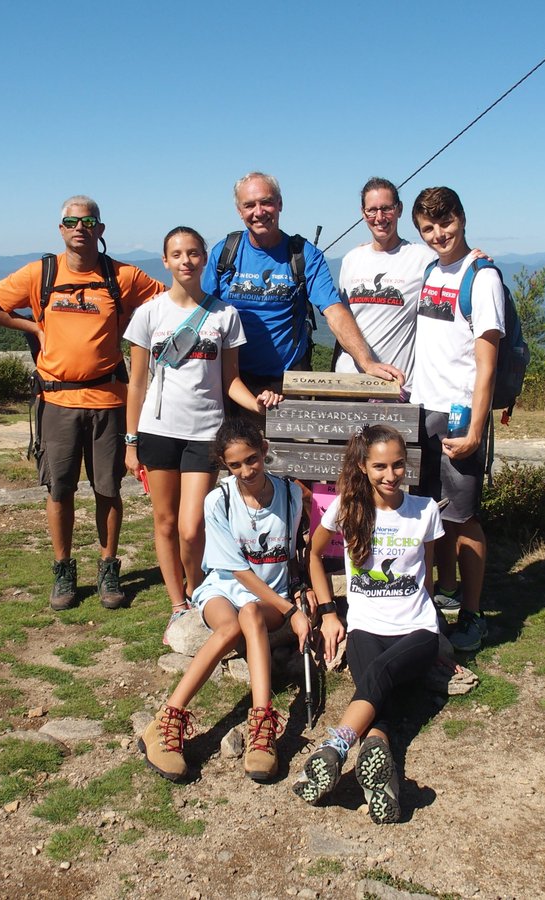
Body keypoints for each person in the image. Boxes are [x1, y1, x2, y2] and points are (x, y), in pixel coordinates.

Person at [0, 196, 165, 612]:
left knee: (108, 489)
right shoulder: (39, 273)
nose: (79, 226)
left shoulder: (122, 277)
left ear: (100, 228)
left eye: (88, 220)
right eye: (71, 221)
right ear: (61, 229)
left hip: (109, 398)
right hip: (56, 399)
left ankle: (108, 567)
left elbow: (170, 301)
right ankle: (63, 569)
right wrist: (33, 327)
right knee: (59, 488)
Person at [123, 226, 282, 642]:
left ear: (204, 259)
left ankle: (197, 587)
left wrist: (258, 404)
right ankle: (178, 603)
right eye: (177, 254)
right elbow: (136, 382)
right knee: (165, 520)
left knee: (193, 526)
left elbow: (229, 380)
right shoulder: (149, 314)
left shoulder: (224, 316)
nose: (186, 261)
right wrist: (130, 440)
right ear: (165, 261)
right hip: (157, 431)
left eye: (193, 253)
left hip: (206, 431)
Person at [138, 419, 312, 783]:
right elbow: (238, 572)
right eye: (236, 465)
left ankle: (261, 730)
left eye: (252, 459)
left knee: (249, 613)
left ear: (264, 451)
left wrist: (302, 592)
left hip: (269, 596)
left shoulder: (291, 494)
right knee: (232, 622)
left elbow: (301, 549)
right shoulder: (219, 500)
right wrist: (291, 611)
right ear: (224, 465)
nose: (247, 470)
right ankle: (167, 719)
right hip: (225, 587)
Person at [296, 424, 444, 824]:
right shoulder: (346, 507)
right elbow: (312, 554)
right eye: (380, 466)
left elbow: (427, 575)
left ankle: (336, 747)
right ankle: (380, 761)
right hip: (365, 627)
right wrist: (328, 611)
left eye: (398, 465)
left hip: (417, 630)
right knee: (379, 692)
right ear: (363, 466)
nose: (390, 475)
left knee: (376, 676)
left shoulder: (425, 509)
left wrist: (440, 635)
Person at [202, 172, 403, 401]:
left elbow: (333, 311)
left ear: (279, 204)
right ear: (240, 211)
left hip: (288, 381)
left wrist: (367, 363)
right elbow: (202, 312)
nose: (259, 212)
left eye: (266, 202)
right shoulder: (225, 253)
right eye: (249, 205)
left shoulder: (304, 255)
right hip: (233, 380)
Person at [409, 187, 504, 653]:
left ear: (462, 218)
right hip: (422, 408)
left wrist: (475, 430)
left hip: (458, 413)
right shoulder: (432, 270)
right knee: (431, 512)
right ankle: (443, 593)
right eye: (428, 228)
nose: (439, 234)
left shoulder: (481, 277)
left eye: (445, 223)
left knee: (464, 517)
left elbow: (486, 362)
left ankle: (473, 612)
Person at [334, 178, 436, 397]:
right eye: (372, 210)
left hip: (396, 386)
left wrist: (472, 259)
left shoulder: (423, 259)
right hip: (348, 383)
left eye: (386, 209)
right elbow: (342, 319)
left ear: (399, 209)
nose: (379, 218)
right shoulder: (352, 259)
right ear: (363, 213)